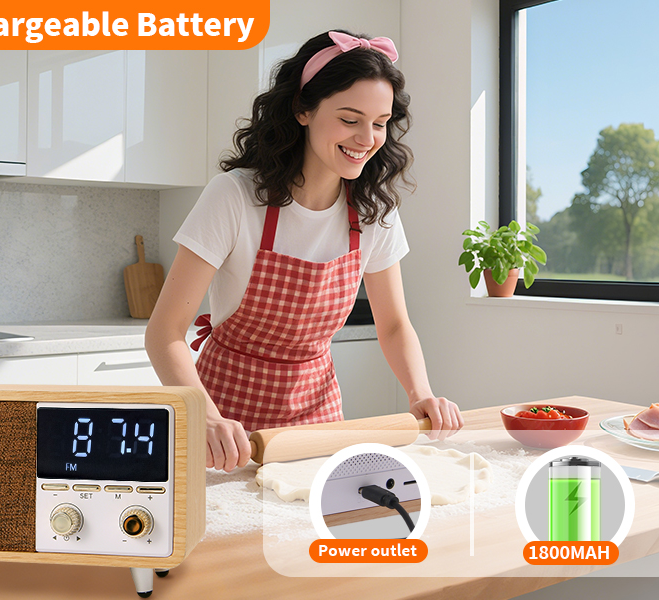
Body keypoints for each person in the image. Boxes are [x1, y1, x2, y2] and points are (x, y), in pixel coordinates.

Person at [145, 30, 463, 473]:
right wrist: (206, 418)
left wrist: (421, 393)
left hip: (318, 423)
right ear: (302, 110)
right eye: (349, 119)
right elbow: (164, 334)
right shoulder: (235, 197)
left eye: (379, 121)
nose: (367, 137)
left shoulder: (373, 213)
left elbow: (393, 325)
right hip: (224, 426)